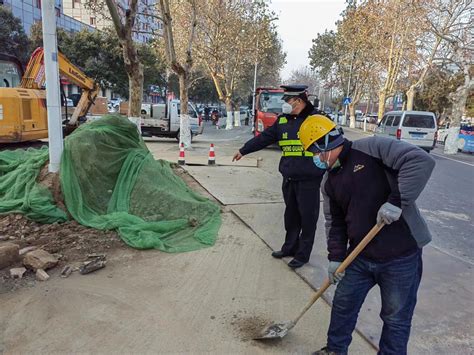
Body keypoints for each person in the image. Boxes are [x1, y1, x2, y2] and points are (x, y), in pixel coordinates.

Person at [298, 116, 435, 355]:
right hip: (360, 255)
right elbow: (335, 222)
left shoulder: (373, 148)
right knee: (343, 304)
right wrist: (336, 257)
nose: (315, 158)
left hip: (400, 256)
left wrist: (397, 201)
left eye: (314, 152)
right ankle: (335, 350)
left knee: (395, 317)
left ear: (326, 143)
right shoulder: (329, 182)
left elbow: (420, 161)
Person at [232, 85, 326, 269]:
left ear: (298, 101)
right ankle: (289, 247)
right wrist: (244, 150)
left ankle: (302, 254)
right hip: (289, 177)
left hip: (309, 178)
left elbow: (334, 143)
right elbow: (264, 138)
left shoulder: (317, 119)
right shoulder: (283, 121)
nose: (284, 104)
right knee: (291, 215)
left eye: (287, 101)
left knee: (307, 218)